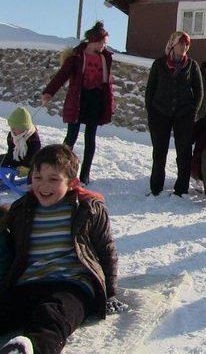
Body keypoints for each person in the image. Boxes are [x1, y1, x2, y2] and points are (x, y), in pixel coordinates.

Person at [0, 144, 124, 354]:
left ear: (72, 182)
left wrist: (110, 293)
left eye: (53, 179)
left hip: (72, 284)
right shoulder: (22, 209)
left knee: (52, 315)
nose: (43, 186)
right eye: (37, 178)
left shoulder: (88, 209)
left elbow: (106, 250)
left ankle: (29, 349)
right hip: (28, 283)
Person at [41, 21, 115, 186]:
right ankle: (61, 170)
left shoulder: (105, 57)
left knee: (90, 138)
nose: (104, 45)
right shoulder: (77, 57)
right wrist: (48, 92)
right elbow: (62, 75)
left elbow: (108, 83)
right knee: (71, 137)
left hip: (95, 100)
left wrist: (110, 102)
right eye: (103, 42)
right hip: (79, 99)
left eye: (105, 43)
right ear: (94, 40)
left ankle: (85, 174)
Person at [145, 31, 203, 197]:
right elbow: (150, 89)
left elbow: (199, 92)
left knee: (184, 151)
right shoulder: (159, 63)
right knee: (159, 151)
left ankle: (181, 188)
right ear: (173, 44)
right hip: (160, 113)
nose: (184, 47)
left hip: (184, 114)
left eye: (187, 44)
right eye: (181, 43)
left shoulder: (192, 65)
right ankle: (156, 187)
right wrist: (151, 111)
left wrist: (193, 111)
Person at [0, 107, 41, 177]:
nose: (12, 130)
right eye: (11, 127)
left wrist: (26, 167)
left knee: (35, 169)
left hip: (28, 162)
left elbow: (33, 156)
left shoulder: (33, 139)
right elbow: (10, 151)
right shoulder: (11, 135)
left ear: (24, 128)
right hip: (15, 158)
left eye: (15, 127)